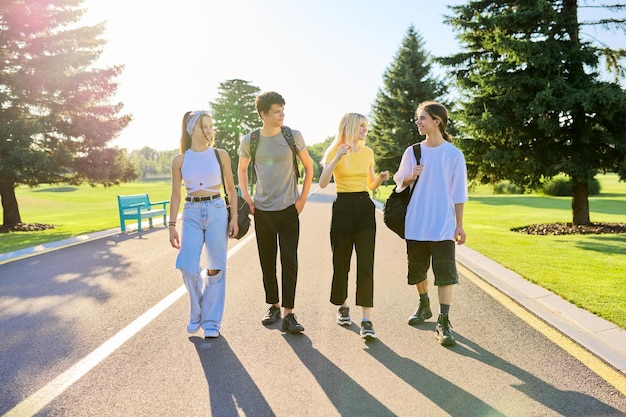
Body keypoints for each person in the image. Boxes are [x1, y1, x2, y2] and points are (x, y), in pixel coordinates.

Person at [392, 101, 468, 346]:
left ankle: (443, 321)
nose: (418, 122)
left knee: (445, 275)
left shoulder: (453, 155)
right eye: (418, 118)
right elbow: (398, 181)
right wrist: (410, 175)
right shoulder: (412, 151)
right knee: (417, 273)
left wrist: (459, 225)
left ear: (437, 121)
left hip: (443, 226)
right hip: (416, 223)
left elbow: (459, 193)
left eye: (422, 118)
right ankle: (424, 304)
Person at [237, 91, 314, 334]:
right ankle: (273, 305)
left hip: (289, 208)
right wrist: (247, 199)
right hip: (263, 211)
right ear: (263, 114)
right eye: (276, 112)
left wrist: (302, 199)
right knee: (267, 260)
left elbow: (309, 167)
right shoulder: (250, 141)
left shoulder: (292, 136)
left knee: (289, 260)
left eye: (283, 111)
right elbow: (241, 170)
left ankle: (289, 313)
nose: (282, 115)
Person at [168, 110, 239, 339]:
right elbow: (176, 195)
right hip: (191, 212)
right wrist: (171, 225)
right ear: (192, 130)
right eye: (204, 126)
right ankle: (197, 311)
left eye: (211, 126)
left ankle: (211, 322)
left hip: (217, 210)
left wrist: (235, 218)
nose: (209, 130)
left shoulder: (220, 155)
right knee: (188, 266)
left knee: (215, 268)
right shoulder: (180, 160)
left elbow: (230, 189)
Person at [319, 113, 389, 340]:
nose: (365, 130)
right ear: (350, 127)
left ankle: (367, 320)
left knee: (366, 263)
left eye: (366, 126)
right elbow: (322, 183)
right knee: (341, 262)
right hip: (343, 208)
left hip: (364, 208)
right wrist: (337, 157)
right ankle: (343, 307)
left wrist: (380, 178)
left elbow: (369, 184)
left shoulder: (368, 152)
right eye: (361, 126)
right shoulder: (335, 151)